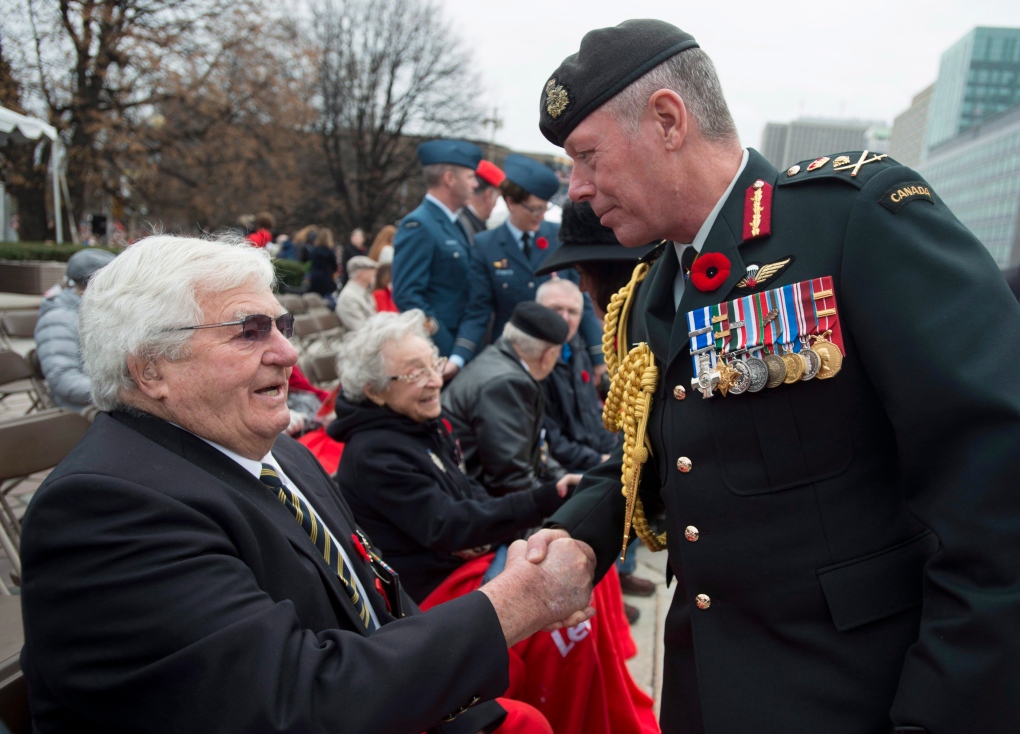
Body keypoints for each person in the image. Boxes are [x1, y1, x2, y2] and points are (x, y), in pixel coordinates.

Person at [525, 19, 1020, 734]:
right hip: (709, 694)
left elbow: (996, 486)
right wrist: (576, 536)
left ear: (667, 120)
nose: (575, 189)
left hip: (858, 695)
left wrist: (945, 711)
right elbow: (658, 451)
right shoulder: (657, 288)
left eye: (586, 156)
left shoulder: (852, 223)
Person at [18, 234, 598, 734]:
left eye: (282, 325)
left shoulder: (283, 455)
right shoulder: (105, 511)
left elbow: (378, 601)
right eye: (250, 332)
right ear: (151, 369)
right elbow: (292, 705)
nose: (289, 352)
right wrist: (517, 603)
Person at [327, 309, 658, 734]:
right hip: (433, 586)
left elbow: (470, 497)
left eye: (433, 363)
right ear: (373, 392)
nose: (434, 379)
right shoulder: (376, 452)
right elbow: (451, 526)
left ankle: (609, 707)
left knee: (581, 558)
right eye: (413, 374)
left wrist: (549, 505)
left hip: (464, 558)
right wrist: (543, 501)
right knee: (564, 628)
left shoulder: (419, 422)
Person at [448, 154, 605, 379]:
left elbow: (582, 302)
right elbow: (478, 311)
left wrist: (597, 357)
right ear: (510, 202)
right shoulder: (486, 245)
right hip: (511, 362)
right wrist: (458, 358)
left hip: (559, 359)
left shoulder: (560, 237)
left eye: (544, 208)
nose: (540, 216)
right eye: (533, 209)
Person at [442, 301, 578, 497]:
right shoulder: (507, 384)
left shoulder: (500, 358)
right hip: (479, 503)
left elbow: (537, 455)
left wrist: (565, 485)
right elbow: (511, 479)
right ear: (548, 355)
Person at [392, 139, 482, 356]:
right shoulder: (419, 225)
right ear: (449, 179)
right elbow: (408, 296)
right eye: (470, 177)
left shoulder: (455, 222)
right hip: (440, 347)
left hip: (460, 342)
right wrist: (446, 344)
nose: (475, 184)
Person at [33, 248, 116, 415]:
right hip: (84, 410)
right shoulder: (59, 318)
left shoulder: (98, 312)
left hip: (107, 403)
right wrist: (120, 392)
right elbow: (63, 379)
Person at [459, 159, 505, 242]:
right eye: (498, 197)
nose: (496, 204)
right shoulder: (464, 227)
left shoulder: (461, 220)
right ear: (489, 195)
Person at [334, 255, 379, 333]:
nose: (375, 276)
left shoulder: (363, 291)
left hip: (370, 336)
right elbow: (360, 329)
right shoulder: (349, 297)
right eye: (372, 272)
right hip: (360, 341)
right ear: (362, 275)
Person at [305, 226, 338, 300]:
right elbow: (335, 267)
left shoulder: (314, 251)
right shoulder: (330, 252)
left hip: (315, 278)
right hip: (327, 279)